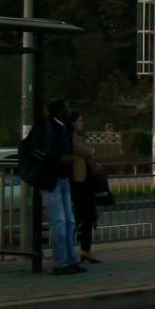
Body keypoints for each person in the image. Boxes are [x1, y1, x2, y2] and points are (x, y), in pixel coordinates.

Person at [40, 98, 83, 275]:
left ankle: (70, 259)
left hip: (64, 177)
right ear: (58, 111)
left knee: (69, 221)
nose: (69, 111)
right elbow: (42, 153)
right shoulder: (48, 128)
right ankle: (60, 262)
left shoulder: (63, 127)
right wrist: (60, 159)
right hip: (52, 178)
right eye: (66, 108)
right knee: (59, 221)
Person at [69, 111, 103, 265]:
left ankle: (86, 249)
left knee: (88, 215)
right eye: (79, 121)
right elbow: (85, 151)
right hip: (78, 182)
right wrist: (90, 151)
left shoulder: (77, 138)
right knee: (78, 217)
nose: (82, 123)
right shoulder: (69, 138)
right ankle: (71, 250)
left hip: (84, 181)